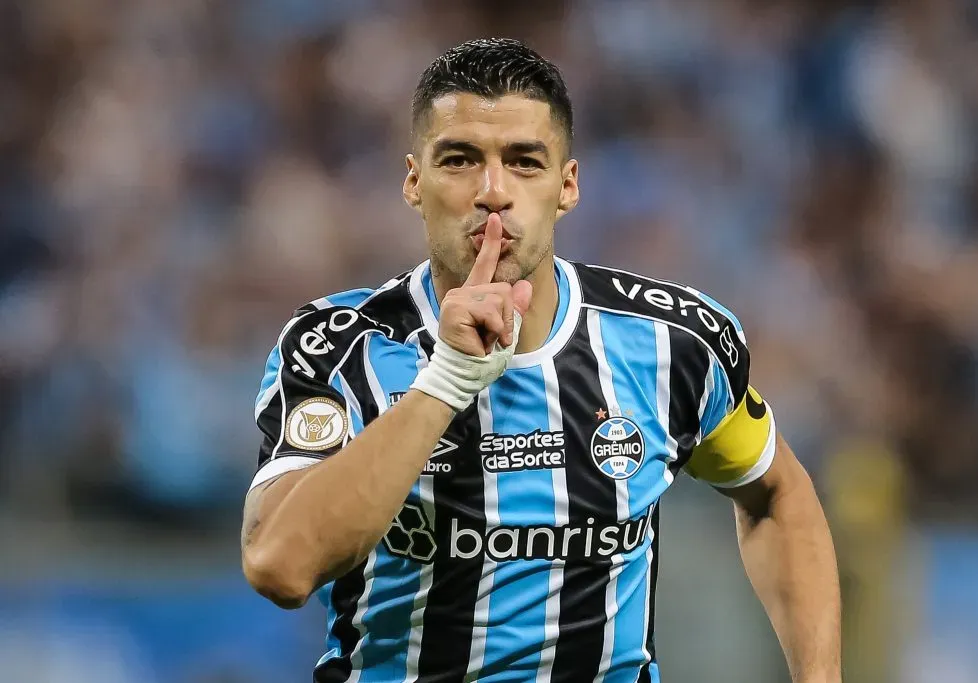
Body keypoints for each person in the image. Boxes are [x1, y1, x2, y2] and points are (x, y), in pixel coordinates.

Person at [241, 38, 841, 683]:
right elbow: (281, 566)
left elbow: (776, 493)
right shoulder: (338, 347)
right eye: (460, 160)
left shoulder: (671, 341)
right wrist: (443, 382)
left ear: (568, 184)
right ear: (414, 182)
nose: (493, 191)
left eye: (525, 162)